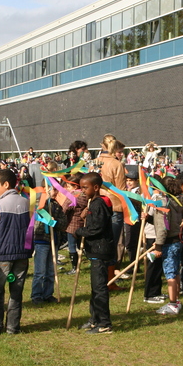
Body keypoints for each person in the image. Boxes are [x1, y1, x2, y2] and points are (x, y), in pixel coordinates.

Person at [0, 169, 32, 335]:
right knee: (16, 290)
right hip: (21, 254)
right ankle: (13, 327)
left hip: (3, 255)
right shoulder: (25, 202)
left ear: (6, 184)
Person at [75, 172, 116, 334]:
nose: (83, 191)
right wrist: (86, 213)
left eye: (85, 188)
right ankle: (94, 319)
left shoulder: (99, 204)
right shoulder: (94, 203)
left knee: (99, 288)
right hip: (95, 250)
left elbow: (96, 228)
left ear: (96, 187)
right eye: (81, 187)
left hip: (100, 250)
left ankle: (104, 323)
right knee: (95, 287)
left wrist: (80, 231)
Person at [96, 134, 126, 290]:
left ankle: (100, 279)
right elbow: (121, 190)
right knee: (111, 245)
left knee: (100, 244)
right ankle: (109, 281)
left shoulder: (95, 163)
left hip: (97, 206)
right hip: (114, 206)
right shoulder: (116, 164)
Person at [153, 176, 183, 315]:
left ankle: (172, 303)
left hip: (168, 242)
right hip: (177, 240)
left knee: (170, 273)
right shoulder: (177, 202)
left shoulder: (163, 203)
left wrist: (158, 245)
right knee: (176, 271)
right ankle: (176, 300)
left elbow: (162, 227)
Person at [31, 182, 67, 304]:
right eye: (53, 190)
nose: (55, 193)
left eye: (57, 190)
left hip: (54, 241)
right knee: (40, 271)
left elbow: (63, 223)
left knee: (51, 270)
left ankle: (48, 294)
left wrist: (55, 221)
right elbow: (36, 218)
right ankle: (36, 295)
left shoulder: (57, 206)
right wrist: (44, 207)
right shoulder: (40, 204)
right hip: (42, 240)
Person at [142, 180, 165, 304]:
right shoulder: (155, 198)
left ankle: (156, 291)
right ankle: (150, 294)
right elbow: (152, 216)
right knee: (153, 266)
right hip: (153, 235)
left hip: (157, 235)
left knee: (157, 267)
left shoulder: (157, 197)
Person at [62, 173, 87, 275]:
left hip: (72, 225)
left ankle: (74, 268)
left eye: (68, 186)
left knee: (72, 246)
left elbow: (65, 208)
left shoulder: (73, 195)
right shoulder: (85, 195)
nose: (67, 188)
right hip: (83, 224)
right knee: (82, 245)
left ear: (75, 186)